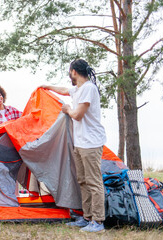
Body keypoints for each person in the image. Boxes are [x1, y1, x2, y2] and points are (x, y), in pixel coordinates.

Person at [41, 59, 106, 233]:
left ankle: (98, 221)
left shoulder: (88, 89)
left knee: (93, 181)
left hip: (91, 143)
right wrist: (46, 86)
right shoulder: (78, 89)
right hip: (81, 142)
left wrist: (67, 109)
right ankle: (87, 217)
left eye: (70, 72)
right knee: (83, 181)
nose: (69, 75)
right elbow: (64, 90)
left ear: (74, 72)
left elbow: (77, 115)